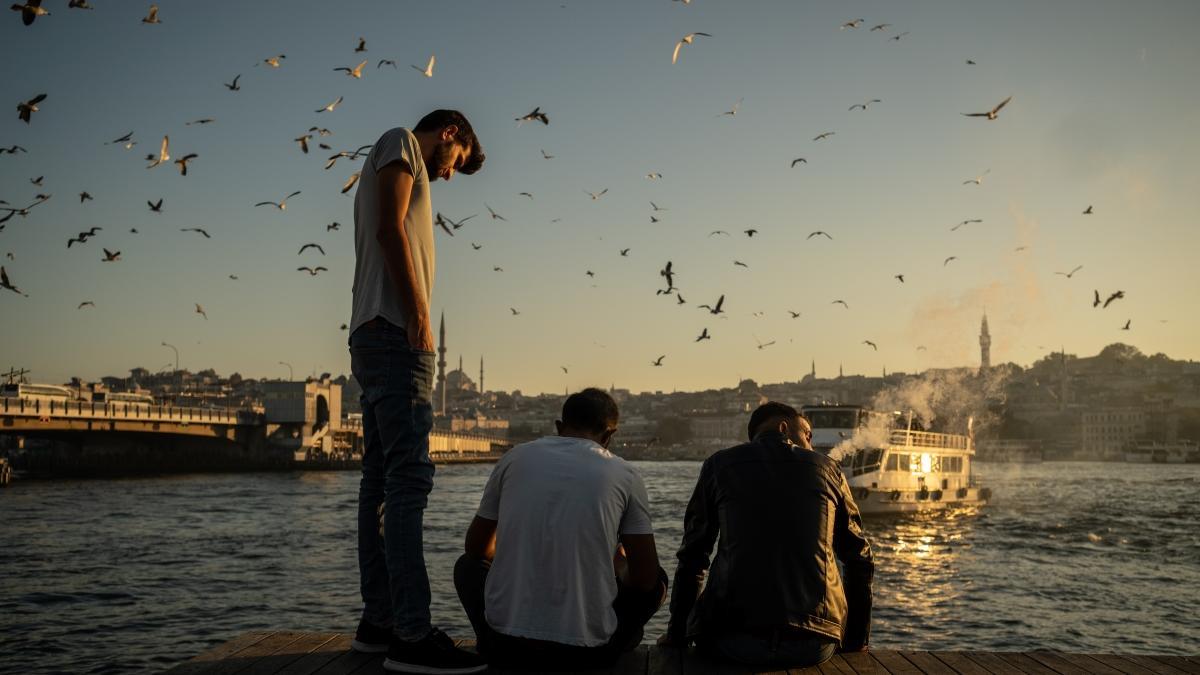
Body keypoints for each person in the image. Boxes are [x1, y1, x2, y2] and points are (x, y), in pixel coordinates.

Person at [347, 109, 486, 674]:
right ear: (449, 133)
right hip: (396, 333)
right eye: (456, 162)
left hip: (372, 332)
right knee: (408, 480)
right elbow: (388, 229)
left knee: (379, 479)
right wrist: (421, 317)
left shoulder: (397, 152)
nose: (449, 176)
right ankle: (410, 634)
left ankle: (379, 623)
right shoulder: (401, 143)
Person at [454, 388, 668, 670]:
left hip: (506, 645)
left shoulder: (514, 458)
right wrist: (617, 564)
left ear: (558, 426)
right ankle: (620, 639)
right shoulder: (624, 474)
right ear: (609, 436)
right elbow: (644, 579)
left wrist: (518, 552)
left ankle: (490, 643)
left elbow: (477, 549)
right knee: (658, 581)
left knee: (466, 567)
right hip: (585, 655)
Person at [659, 402, 874, 669]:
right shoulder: (828, 470)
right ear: (784, 427)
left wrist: (677, 634)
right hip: (812, 643)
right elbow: (859, 559)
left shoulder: (719, 465)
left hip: (730, 639)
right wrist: (856, 640)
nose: (810, 442)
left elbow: (693, 555)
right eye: (807, 434)